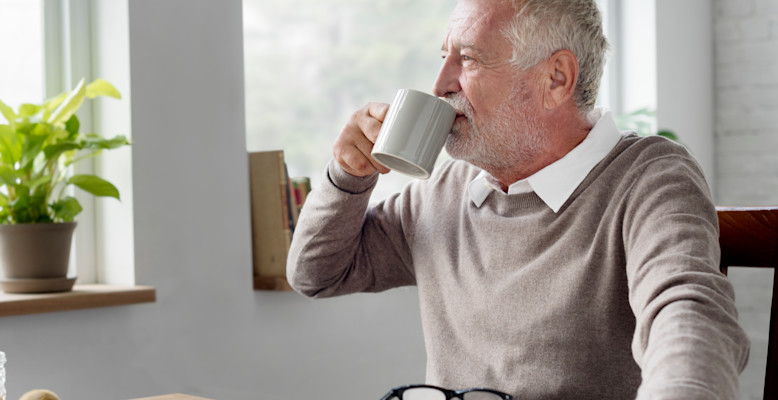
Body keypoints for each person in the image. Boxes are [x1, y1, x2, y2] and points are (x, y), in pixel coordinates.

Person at [286, 0, 751, 399]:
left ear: (556, 78)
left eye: (466, 59)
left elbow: (689, 315)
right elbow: (317, 272)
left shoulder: (647, 177)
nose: (440, 84)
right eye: (444, 57)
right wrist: (349, 173)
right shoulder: (446, 189)